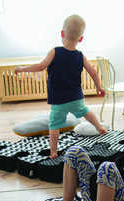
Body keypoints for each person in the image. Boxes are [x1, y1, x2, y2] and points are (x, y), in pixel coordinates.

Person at [15, 14, 107, 158]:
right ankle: (99, 127)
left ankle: (53, 151)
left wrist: (21, 69)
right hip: (76, 97)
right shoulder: (80, 55)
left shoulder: (54, 51)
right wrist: (99, 88)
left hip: (58, 100)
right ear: (81, 39)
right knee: (85, 111)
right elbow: (93, 72)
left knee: (54, 125)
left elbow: (40, 66)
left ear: (62, 33)